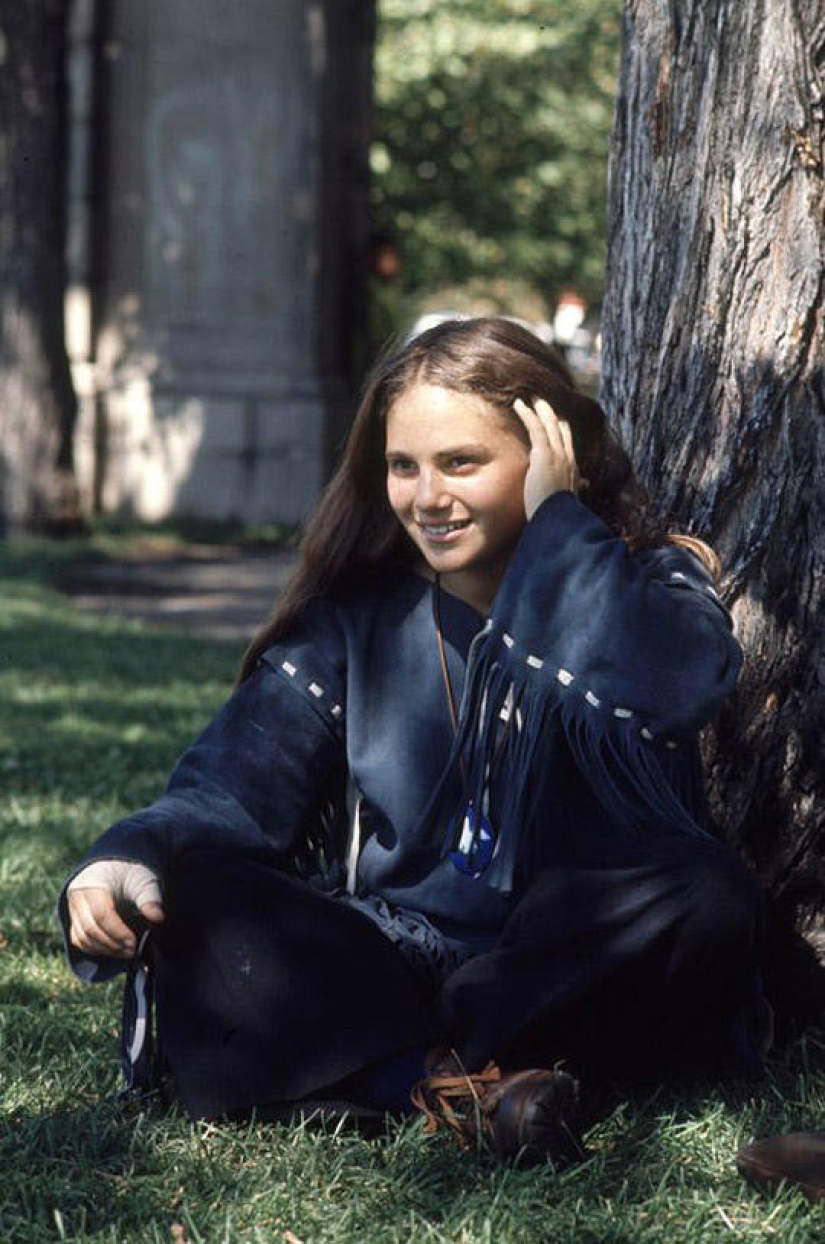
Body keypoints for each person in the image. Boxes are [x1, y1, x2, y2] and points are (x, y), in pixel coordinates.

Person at [59, 317, 770, 1166]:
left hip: (563, 958)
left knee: (704, 892)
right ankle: (464, 1090)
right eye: (404, 466)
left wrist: (558, 526)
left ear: (551, 455)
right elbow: (230, 786)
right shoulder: (352, 618)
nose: (426, 498)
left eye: (461, 463)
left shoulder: (643, 581)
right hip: (394, 955)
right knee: (195, 887)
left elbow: (672, 685)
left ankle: (400, 1074)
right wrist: (126, 857)